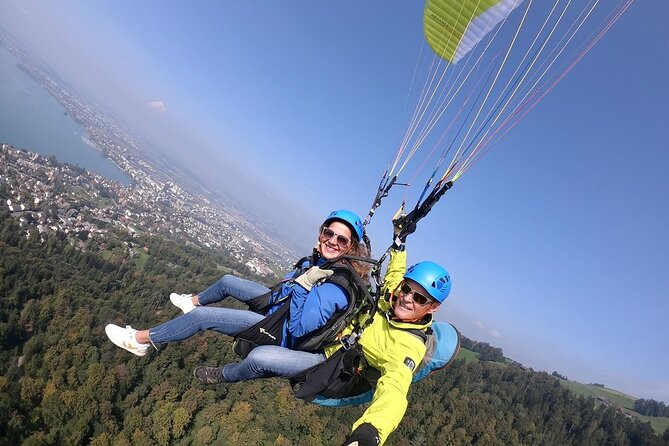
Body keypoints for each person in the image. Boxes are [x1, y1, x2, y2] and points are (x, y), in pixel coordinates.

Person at [105, 209, 370, 383]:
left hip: (280, 330)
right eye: (329, 233)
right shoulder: (323, 263)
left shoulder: (336, 286)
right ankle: (191, 301)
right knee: (228, 281)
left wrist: (303, 284)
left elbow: (299, 327)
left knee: (202, 318)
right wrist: (303, 274)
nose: (333, 241)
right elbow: (288, 286)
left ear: (352, 248)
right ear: (321, 232)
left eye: (342, 240)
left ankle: (140, 340)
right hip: (277, 307)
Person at [290, 219, 452, 446]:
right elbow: (395, 274)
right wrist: (400, 241)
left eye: (419, 298)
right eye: (407, 289)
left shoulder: (408, 347)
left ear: (433, 307)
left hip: (332, 371)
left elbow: (394, 391)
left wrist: (370, 432)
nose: (407, 298)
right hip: (329, 344)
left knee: (264, 358)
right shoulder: (393, 298)